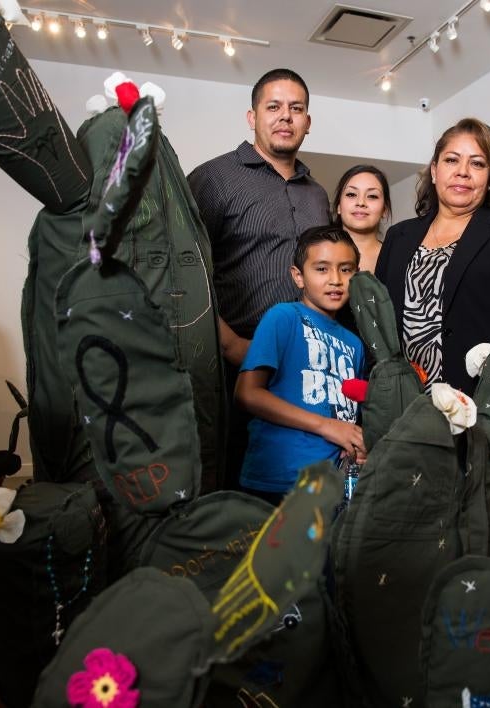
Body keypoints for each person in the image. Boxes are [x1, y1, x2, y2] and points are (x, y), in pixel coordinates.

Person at [188, 68, 330, 488]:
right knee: (236, 482)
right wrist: (232, 345)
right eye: (274, 107)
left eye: (296, 108)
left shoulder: (317, 194)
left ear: (307, 121)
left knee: (299, 484)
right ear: (252, 117)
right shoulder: (213, 179)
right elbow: (186, 270)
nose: (285, 116)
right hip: (237, 361)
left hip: (306, 365)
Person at [375, 117, 490, 396]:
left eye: (477, 163)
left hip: (480, 408)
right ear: (435, 171)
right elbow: (380, 325)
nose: (463, 172)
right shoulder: (398, 237)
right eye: (451, 160)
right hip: (403, 406)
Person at [234, 225, 366, 504]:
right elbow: (247, 393)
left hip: (332, 487)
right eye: (321, 269)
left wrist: (354, 443)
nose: (335, 280)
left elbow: (346, 413)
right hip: (280, 481)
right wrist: (326, 426)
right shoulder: (283, 317)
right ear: (298, 276)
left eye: (346, 269)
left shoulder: (354, 344)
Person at [332, 164, 391, 273]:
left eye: (372, 196)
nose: (361, 203)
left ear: (385, 210)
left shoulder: (398, 257)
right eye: (351, 194)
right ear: (338, 206)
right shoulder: (319, 253)